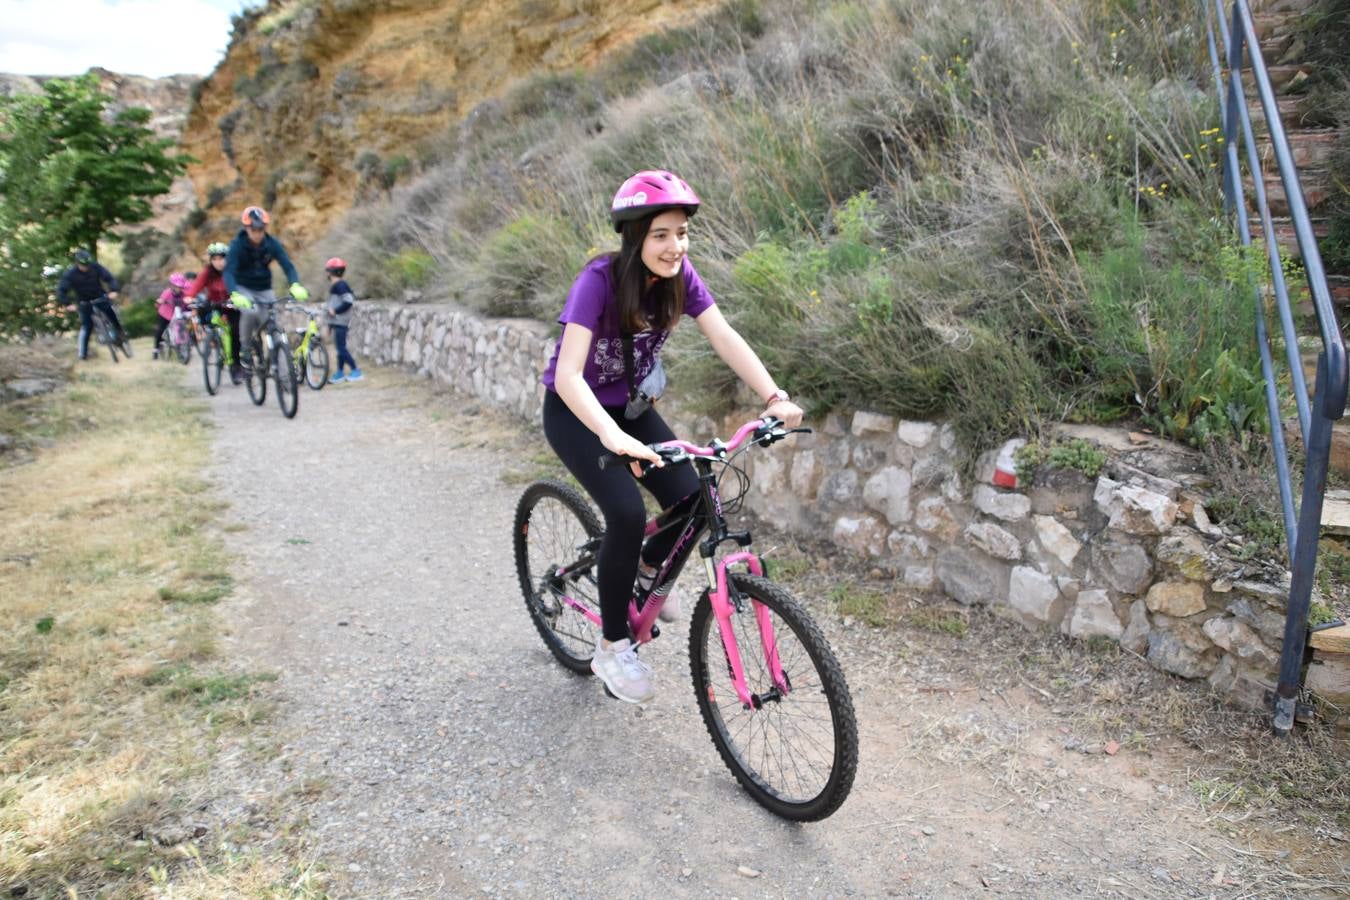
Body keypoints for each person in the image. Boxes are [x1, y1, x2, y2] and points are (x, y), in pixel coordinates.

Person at [540, 170, 803, 704]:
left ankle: (641, 567)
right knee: (627, 514)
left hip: (632, 408)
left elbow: (724, 335)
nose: (674, 245)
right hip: (576, 412)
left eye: (682, 233)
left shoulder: (682, 278)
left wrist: (774, 396)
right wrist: (611, 437)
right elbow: (569, 376)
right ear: (635, 237)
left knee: (691, 498)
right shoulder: (599, 281)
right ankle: (613, 645)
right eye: (661, 234)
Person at [223, 206, 309, 369]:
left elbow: (288, 266)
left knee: (274, 328)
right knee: (250, 311)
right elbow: (228, 272)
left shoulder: (271, 244)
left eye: (261, 229)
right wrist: (234, 293)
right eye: (253, 229)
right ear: (246, 228)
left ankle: (284, 376)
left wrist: (295, 284)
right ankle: (245, 349)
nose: (257, 233)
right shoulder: (237, 246)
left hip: (264, 288)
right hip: (243, 287)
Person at [189, 241, 244, 382]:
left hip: (232, 305)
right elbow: (197, 285)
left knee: (235, 332)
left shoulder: (233, 270)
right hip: (215, 304)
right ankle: (213, 337)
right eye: (215, 259)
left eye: (221, 258)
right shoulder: (208, 272)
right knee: (202, 312)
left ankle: (236, 365)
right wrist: (189, 296)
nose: (218, 262)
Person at [58, 249, 124, 360]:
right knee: (87, 326)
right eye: (83, 265)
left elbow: (109, 278)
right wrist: (67, 304)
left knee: (111, 314)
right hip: (84, 302)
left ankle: (120, 333)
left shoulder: (96, 267)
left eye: (87, 265)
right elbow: (62, 290)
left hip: (100, 297)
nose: (86, 267)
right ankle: (83, 354)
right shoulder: (70, 274)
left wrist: (114, 290)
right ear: (77, 263)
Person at [323, 257, 362, 383]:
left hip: (341, 321)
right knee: (339, 348)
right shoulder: (336, 285)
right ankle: (339, 373)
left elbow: (348, 301)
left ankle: (356, 370)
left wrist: (336, 311)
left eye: (327, 271)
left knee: (341, 348)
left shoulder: (341, 285)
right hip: (336, 322)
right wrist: (329, 326)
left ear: (330, 272)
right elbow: (333, 305)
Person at [152, 272, 190, 358]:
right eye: (176, 286)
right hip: (166, 314)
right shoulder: (167, 292)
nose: (178, 288)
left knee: (183, 327)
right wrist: (160, 301)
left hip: (178, 314)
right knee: (160, 329)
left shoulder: (184, 293)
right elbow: (160, 301)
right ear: (172, 285)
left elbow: (188, 301)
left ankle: (185, 345)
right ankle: (155, 350)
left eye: (180, 286)